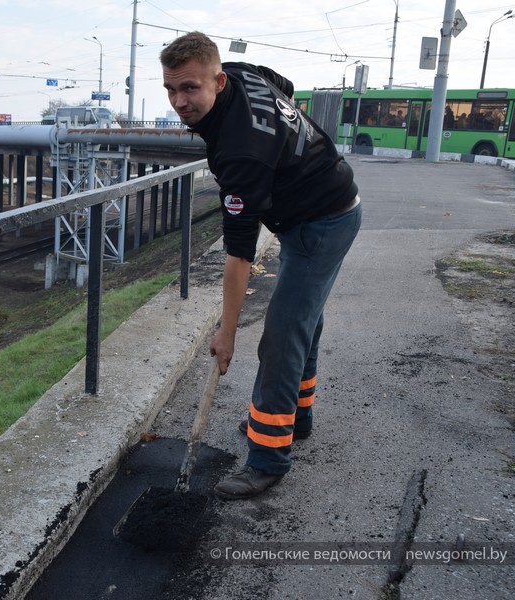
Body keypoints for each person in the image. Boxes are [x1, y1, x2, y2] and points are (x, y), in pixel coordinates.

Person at [160, 32, 362, 500]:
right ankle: (296, 418)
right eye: (171, 89)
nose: (179, 101)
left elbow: (239, 257)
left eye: (189, 88)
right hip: (316, 208)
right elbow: (283, 85)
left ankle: (268, 458)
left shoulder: (240, 152)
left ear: (217, 80)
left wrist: (226, 334)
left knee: (280, 336)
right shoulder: (245, 74)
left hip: (323, 221)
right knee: (303, 322)